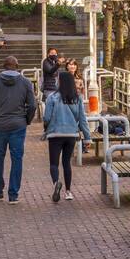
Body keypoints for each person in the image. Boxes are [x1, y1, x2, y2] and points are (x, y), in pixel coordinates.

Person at [0, 55, 37, 203]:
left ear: (4, 66)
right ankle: (13, 194)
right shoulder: (26, 83)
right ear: (17, 65)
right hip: (18, 125)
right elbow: (32, 105)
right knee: (17, 159)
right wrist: (26, 120)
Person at [43, 69, 91, 202]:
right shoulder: (77, 98)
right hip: (71, 134)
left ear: (59, 81)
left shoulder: (52, 97)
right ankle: (68, 192)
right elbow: (82, 119)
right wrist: (87, 137)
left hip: (55, 133)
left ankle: (56, 183)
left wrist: (46, 126)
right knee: (66, 163)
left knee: (54, 163)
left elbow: (46, 117)